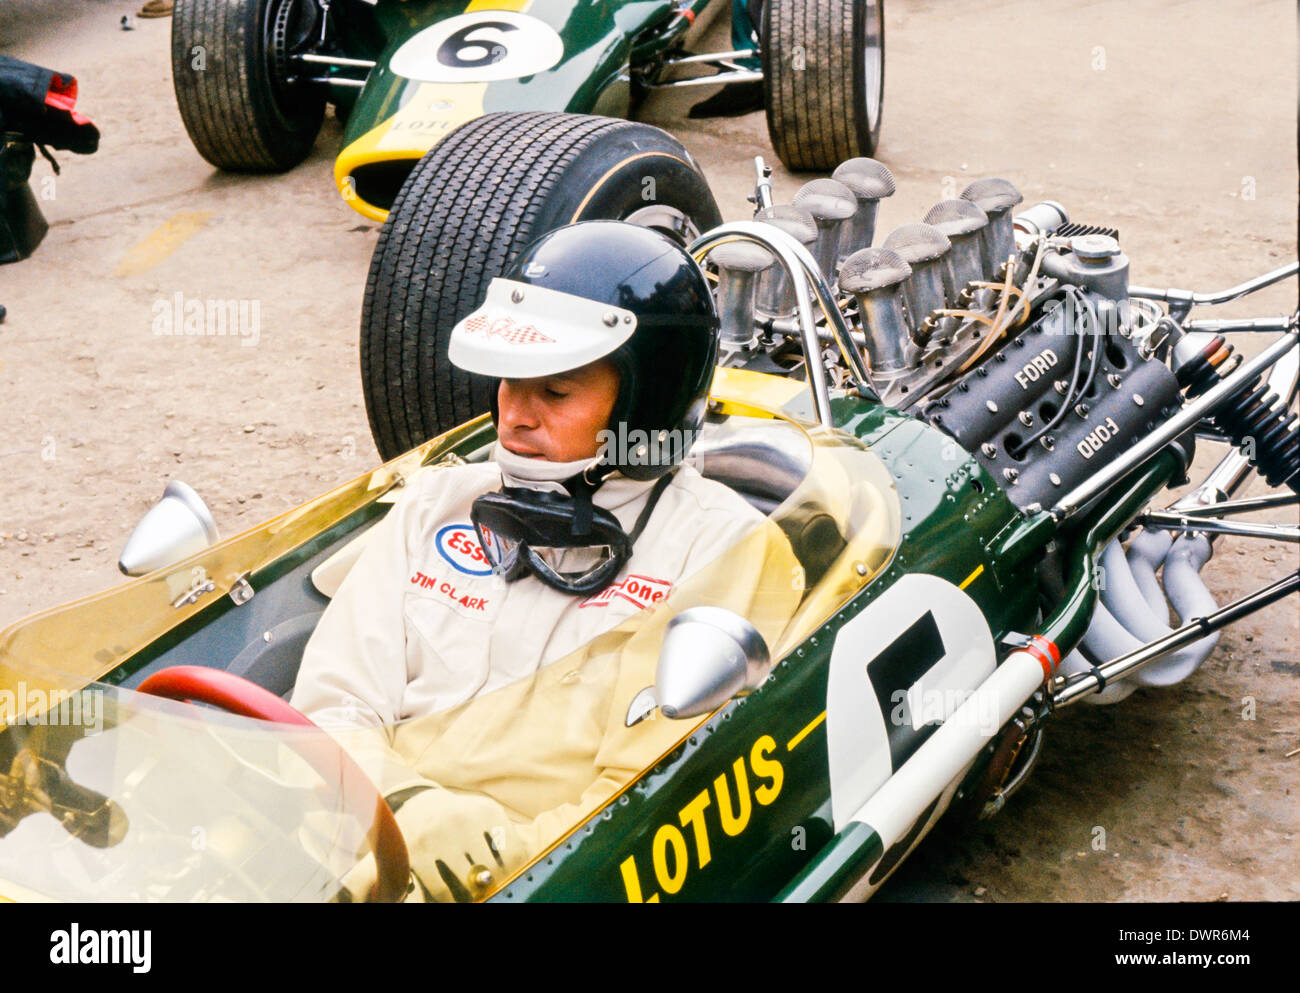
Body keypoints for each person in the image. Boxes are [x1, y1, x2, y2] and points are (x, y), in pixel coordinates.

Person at [289, 221, 801, 901]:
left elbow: (645, 800)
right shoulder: (437, 502)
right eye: (509, 381)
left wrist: (499, 861)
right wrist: (402, 808)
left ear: (647, 407)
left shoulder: (722, 549)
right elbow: (335, 701)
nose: (515, 417)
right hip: (354, 835)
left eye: (556, 393)